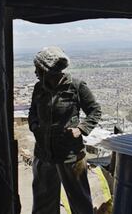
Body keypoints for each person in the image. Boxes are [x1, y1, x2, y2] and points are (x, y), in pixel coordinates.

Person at [28, 46, 102, 214]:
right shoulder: (39, 88)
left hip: (70, 155)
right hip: (44, 153)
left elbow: (95, 111)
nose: (35, 72)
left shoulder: (75, 86)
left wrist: (81, 129)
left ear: (49, 70)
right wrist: (34, 127)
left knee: (79, 199)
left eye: (38, 68)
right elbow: (33, 111)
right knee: (43, 200)